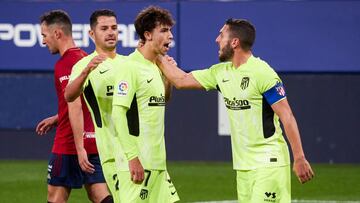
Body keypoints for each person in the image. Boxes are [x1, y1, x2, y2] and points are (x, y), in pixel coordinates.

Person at [158, 18, 314, 202]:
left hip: (269, 164)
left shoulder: (262, 72)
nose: (217, 39)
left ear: (234, 42)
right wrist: (157, 55)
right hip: (243, 168)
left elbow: (286, 115)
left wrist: (299, 157)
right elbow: (181, 80)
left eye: (221, 35)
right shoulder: (220, 72)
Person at [36, 10, 111, 203]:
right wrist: (57, 117)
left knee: (55, 198)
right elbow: (86, 101)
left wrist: (78, 149)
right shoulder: (86, 58)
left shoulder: (65, 64)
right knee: (100, 196)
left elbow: (75, 103)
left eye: (44, 35)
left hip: (69, 144)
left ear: (57, 33)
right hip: (94, 143)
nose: (43, 41)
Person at [110, 6, 179, 203]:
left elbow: (161, 101)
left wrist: (167, 79)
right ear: (147, 35)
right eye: (164, 31)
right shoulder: (129, 67)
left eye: (170, 30)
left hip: (157, 162)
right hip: (137, 163)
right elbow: (118, 114)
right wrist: (133, 158)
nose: (170, 36)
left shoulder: (156, 66)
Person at [64, 9, 127, 203]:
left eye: (114, 28)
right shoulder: (83, 65)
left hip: (132, 148)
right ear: (92, 34)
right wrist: (86, 72)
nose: (110, 32)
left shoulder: (130, 63)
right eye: (104, 28)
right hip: (106, 150)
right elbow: (69, 96)